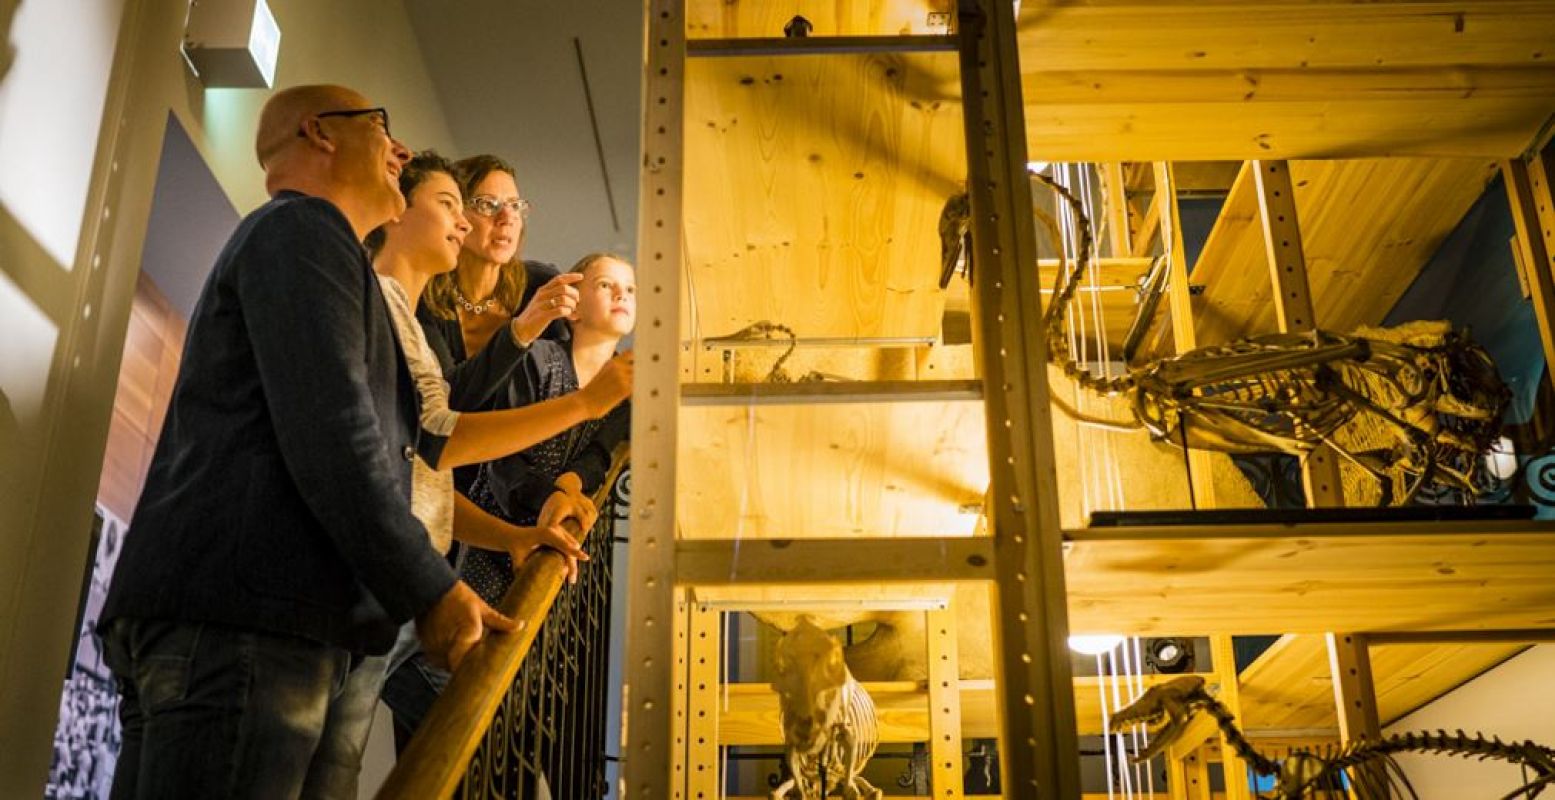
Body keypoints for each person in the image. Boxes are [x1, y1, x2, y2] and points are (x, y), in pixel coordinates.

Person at [98, 85, 509, 799]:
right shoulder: (304, 229)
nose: (400, 150)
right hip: (246, 623)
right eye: (382, 126)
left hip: (229, 620)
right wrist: (429, 589)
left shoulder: (313, 246)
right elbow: (334, 431)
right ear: (319, 134)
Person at [383, 251, 635, 744]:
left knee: (515, 687)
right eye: (606, 285)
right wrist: (545, 495)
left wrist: (571, 486)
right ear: (574, 304)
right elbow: (503, 461)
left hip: (549, 558)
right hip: (492, 542)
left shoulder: (628, 384)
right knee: (468, 673)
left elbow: (604, 452)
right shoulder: (541, 359)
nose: (622, 294)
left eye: (629, 288)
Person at [365, 150, 633, 586]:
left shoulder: (537, 283)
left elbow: (563, 385)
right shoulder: (415, 306)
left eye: (516, 206)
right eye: (486, 205)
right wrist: (520, 334)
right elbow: (439, 421)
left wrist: (568, 481)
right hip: (436, 495)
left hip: (505, 499)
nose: (506, 219)